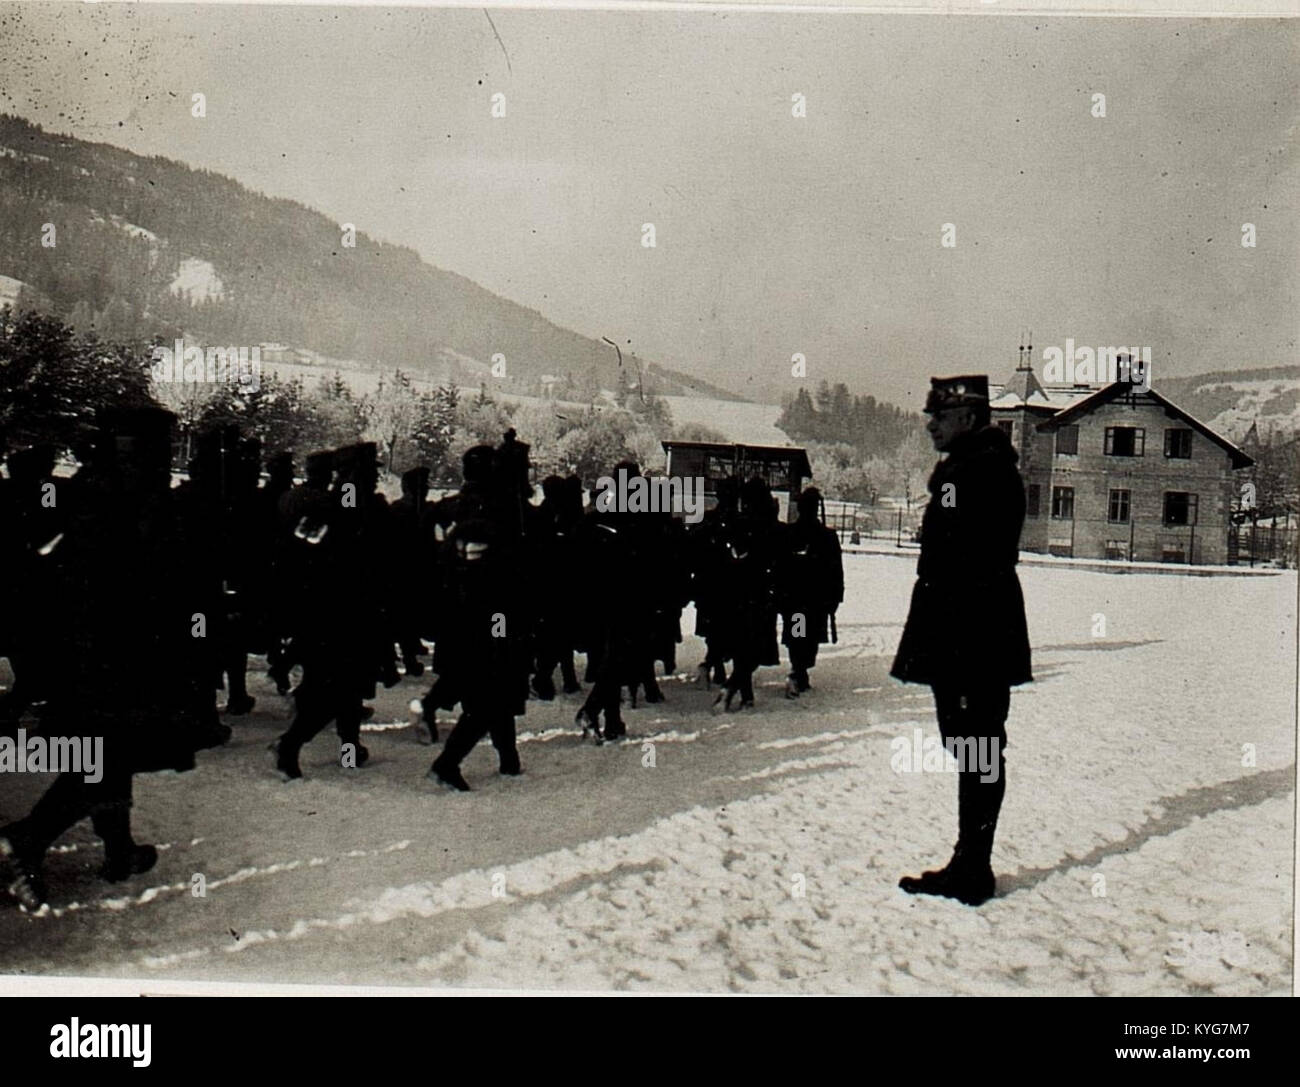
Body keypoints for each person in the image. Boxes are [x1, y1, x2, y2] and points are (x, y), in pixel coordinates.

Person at [1, 407, 226, 910]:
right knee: (107, 754)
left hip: (92, 652)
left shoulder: (89, 489)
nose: (165, 461)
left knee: (110, 752)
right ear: (138, 450)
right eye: (159, 450)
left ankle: (119, 850)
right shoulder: (127, 499)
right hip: (119, 656)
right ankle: (28, 839)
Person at [891, 375, 1032, 907]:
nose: (930, 424)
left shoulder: (986, 472)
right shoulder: (967, 470)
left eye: (939, 416)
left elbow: (976, 560)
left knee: (978, 746)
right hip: (962, 627)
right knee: (968, 743)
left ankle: (974, 868)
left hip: (973, 631)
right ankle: (969, 861)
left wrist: (951, 631)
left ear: (968, 418)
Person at [427, 440, 533, 789]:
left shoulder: (463, 505)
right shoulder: (487, 507)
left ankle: (508, 758)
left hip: (467, 613)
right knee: (490, 693)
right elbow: (492, 567)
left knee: (496, 687)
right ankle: (448, 762)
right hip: (488, 615)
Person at [777, 485, 843, 697]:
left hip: (796, 598)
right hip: (815, 599)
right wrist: (835, 597)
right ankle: (798, 672)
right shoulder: (827, 536)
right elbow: (836, 571)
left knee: (798, 636)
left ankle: (798, 670)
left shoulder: (790, 533)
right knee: (809, 637)